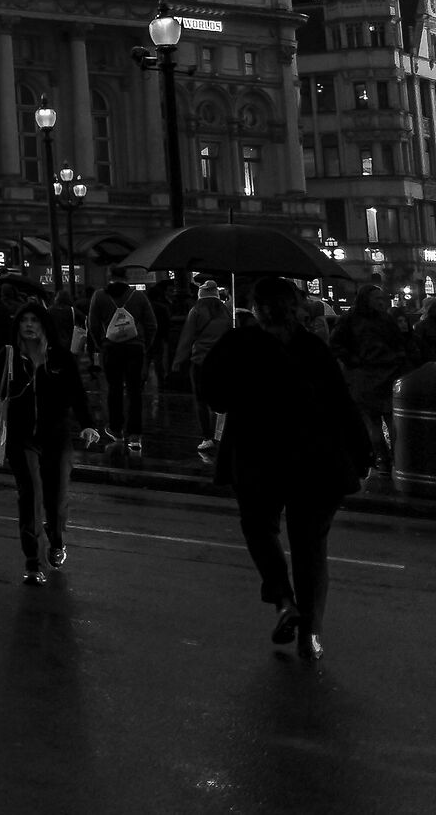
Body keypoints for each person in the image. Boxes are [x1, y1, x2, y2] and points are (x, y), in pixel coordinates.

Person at [199, 275, 376, 660]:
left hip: (258, 456)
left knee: (258, 528)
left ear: (257, 309)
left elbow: (214, 395)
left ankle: (283, 599)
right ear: (293, 307)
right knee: (310, 547)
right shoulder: (312, 348)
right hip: (316, 459)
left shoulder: (240, 344)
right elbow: (342, 404)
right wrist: (363, 456)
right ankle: (310, 634)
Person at [0, 306, 101, 584]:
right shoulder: (9, 355)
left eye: (34, 320)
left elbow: (77, 394)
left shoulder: (61, 357)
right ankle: (33, 562)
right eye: (24, 321)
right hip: (21, 438)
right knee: (30, 496)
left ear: (45, 325)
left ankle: (56, 539)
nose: (29, 325)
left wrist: (87, 424)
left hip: (56, 437)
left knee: (56, 499)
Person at [329, 285, 420, 475]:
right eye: (376, 298)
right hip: (366, 376)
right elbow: (336, 344)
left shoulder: (383, 319)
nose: (381, 302)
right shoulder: (352, 320)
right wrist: (354, 360)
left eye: (382, 298)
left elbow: (400, 342)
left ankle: (393, 459)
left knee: (390, 421)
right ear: (366, 300)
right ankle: (384, 459)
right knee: (374, 423)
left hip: (385, 373)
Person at [87, 276, 158, 456]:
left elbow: (93, 324)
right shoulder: (139, 297)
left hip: (111, 349)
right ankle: (135, 434)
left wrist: (100, 344)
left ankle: (116, 428)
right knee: (135, 390)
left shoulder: (99, 296)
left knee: (114, 388)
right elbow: (152, 324)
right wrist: (144, 344)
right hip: (135, 348)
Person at [173, 279, 237, 458]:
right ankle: (223, 435)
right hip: (223, 361)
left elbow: (187, 337)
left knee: (201, 400)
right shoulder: (227, 310)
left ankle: (207, 437)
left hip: (200, 360)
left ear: (200, 294)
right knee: (224, 398)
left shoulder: (196, 310)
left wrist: (178, 361)